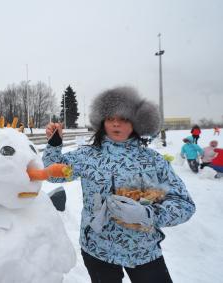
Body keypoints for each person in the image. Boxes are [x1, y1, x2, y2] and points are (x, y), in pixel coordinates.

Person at [43, 86, 195, 283]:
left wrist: (149, 215)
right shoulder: (87, 156)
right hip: (97, 250)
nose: (116, 124)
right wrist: (54, 144)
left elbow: (184, 204)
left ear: (136, 123)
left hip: (143, 252)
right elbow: (53, 174)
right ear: (102, 122)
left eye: (123, 119)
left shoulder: (153, 161)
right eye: (110, 118)